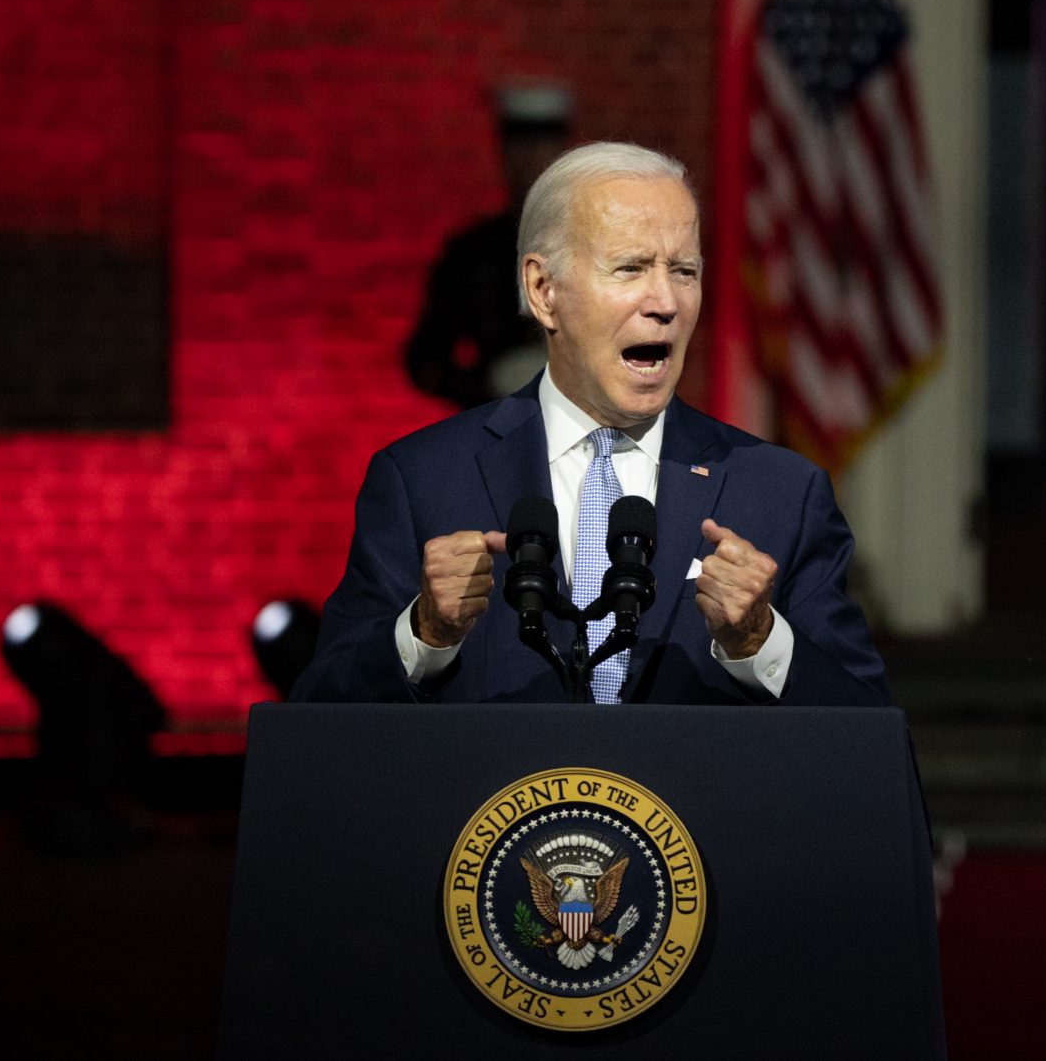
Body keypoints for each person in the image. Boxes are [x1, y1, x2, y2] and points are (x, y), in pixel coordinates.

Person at [294, 141, 889, 707]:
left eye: (684, 271)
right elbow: (321, 723)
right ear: (543, 290)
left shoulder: (783, 494)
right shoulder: (420, 482)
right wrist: (424, 632)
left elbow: (866, 735)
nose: (666, 302)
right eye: (631, 268)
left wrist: (762, 642)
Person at [402, 81, 576, 408]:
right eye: (521, 148)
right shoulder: (472, 252)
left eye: (541, 148)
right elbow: (427, 359)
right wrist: (488, 383)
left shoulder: (593, 245)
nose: (531, 161)